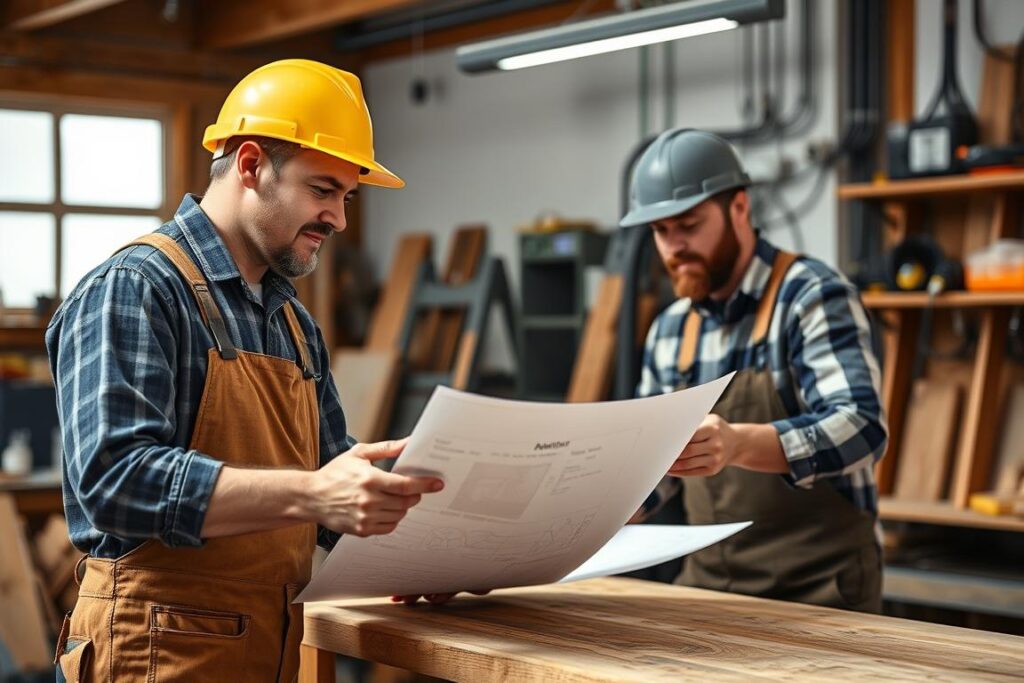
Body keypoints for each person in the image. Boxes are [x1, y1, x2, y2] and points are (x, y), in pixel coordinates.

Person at [46, 59, 445, 681]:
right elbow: (114, 483)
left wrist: (432, 559)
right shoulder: (137, 288)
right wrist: (314, 493)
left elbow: (336, 478)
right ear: (251, 164)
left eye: (346, 197)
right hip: (155, 652)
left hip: (276, 647)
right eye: (323, 190)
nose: (338, 219)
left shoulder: (291, 321)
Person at [625, 128, 888, 612]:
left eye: (688, 224)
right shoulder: (669, 330)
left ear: (739, 209)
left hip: (821, 589)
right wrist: (583, 517)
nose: (674, 247)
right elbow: (654, 468)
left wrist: (741, 443)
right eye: (661, 232)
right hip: (709, 588)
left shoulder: (811, 297)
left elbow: (863, 428)